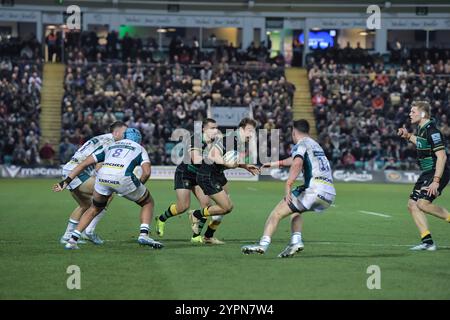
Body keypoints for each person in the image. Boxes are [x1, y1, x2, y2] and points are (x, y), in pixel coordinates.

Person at [54, 128, 163, 250]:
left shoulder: (112, 145)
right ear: (139, 139)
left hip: (102, 178)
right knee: (147, 202)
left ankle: (72, 240)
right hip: (123, 178)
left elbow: (84, 163)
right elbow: (147, 172)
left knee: (94, 207)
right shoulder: (139, 148)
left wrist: (66, 181)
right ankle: (144, 234)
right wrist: (139, 185)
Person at [241, 119, 336, 258]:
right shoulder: (315, 145)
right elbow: (294, 159)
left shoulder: (301, 144)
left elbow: (297, 163)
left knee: (276, 214)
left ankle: (263, 244)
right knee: (296, 211)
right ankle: (296, 241)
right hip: (329, 193)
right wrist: (274, 163)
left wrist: (288, 184)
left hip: (313, 190)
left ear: (294, 131)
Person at [189, 118, 260, 243]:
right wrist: (226, 163)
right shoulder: (231, 139)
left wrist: (245, 166)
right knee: (226, 207)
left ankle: (208, 236)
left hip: (217, 175)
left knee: (226, 205)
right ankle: (196, 215)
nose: (251, 134)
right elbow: (212, 156)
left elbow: (230, 159)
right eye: (249, 130)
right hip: (208, 174)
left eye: (253, 131)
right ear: (241, 129)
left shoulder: (239, 142)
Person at [58, 121, 128, 245]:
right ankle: (89, 231)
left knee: (85, 205)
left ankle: (67, 236)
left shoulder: (103, 138)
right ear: (116, 132)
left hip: (70, 169)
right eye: (124, 133)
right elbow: (98, 167)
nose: (126, 136)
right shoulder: (110, 143)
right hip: (78, 172)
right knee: (108, 193)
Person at [154, 118, 221, 244]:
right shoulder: (195, 139)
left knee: (206, 206)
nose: (215, 130)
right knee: (183, 206)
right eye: (212, 128)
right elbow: (196, 159)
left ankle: (195, 236)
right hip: (184, 174)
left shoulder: (216, 143)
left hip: (200, 176)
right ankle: (161, 219)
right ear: (204, 129)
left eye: (216, 128)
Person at [397, 101, 450, 251]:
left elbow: (442, 157)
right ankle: (427, 242)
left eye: (413, 112)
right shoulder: (421, 130)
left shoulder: (433, 132)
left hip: (436, 172)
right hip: (427, 173)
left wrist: (436, 181)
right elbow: (420, 142)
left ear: (423, 114)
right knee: (412, 205)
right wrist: (407, 136)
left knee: (422, 204)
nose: (410, 114)